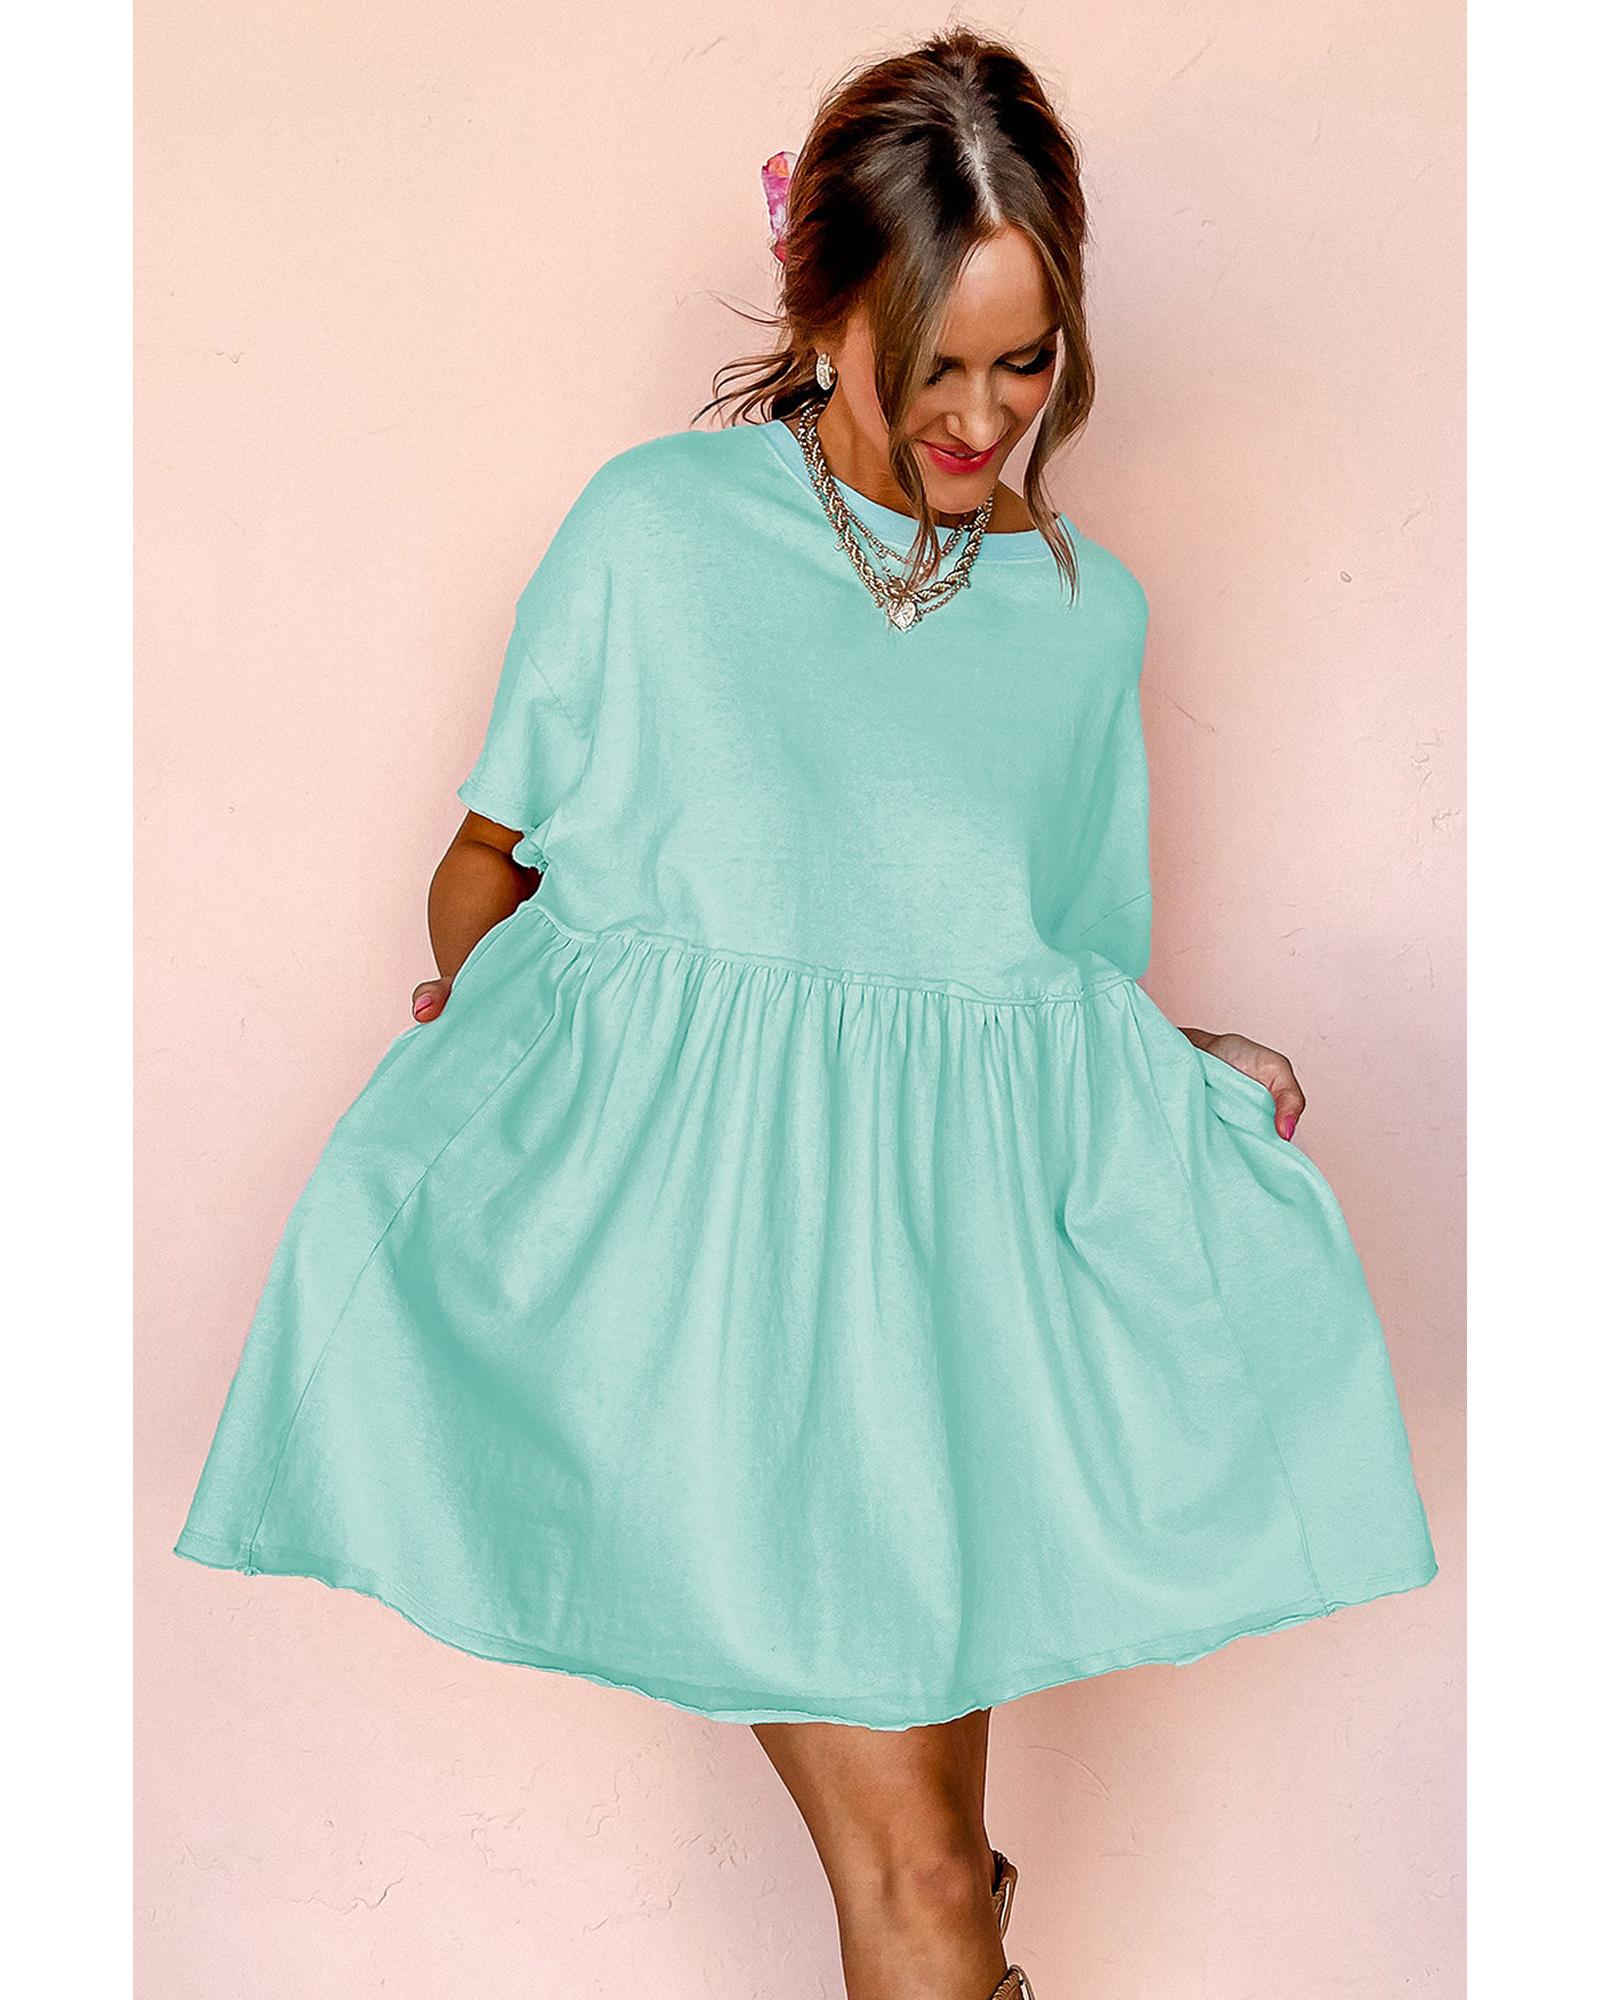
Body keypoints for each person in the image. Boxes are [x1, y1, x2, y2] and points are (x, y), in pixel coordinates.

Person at [172, 26, 1438, 2000]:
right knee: (914, 1877)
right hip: (704, 1309)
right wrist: (515, 1034)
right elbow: (490, 859)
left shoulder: (1080, 617)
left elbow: (1034, 987)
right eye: (935, 360)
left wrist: (1174, 1067)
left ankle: (969, 1929)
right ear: (824, 308)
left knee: (919, 1880)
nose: (982, 416)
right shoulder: (655, 534)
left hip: (933, 1317)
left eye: (1023, 361)